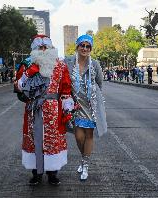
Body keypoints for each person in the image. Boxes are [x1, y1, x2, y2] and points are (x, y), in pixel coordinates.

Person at [15, 35, 73, 186]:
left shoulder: (60, 65)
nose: (43, 50)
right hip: (33, 109)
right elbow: (18, 87)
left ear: (51, 48)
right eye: (39, 48)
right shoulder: (27, 65)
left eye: (45, 47)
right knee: (34, 139)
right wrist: (29, 73)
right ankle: (36, 173)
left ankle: (53, 173)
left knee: (52, 140)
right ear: (34, 50)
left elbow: (66, 88)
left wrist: (67, 110)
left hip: (53, 110)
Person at [64, 34, 107, 181]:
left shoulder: (94, 64)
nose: (85, 48)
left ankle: (86, 165)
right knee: (78, 136)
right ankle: (84, 158)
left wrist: (94, 98)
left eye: (88, 46)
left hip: (90, 107)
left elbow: (100, 83)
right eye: (82, 45)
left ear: (91, 49)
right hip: (75, 106)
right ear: (77, 46)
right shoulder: (69, 62)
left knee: (88, 135)